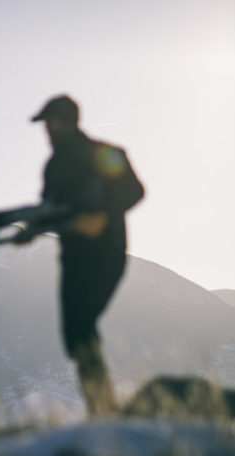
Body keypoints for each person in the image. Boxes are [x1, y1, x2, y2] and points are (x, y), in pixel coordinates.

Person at [19, 94, 144, 415]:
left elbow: (134, 190)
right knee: (75, 333)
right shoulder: (53, 167)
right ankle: (101, 407)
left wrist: (102, 214)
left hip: (106, 252)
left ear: (69, 122)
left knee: (83, 325)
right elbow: (50, 211)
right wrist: (28, 230)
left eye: (52, 122)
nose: (47, 130)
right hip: (72, 260)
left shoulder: (102, 154)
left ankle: (103, 409)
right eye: (46, 124)